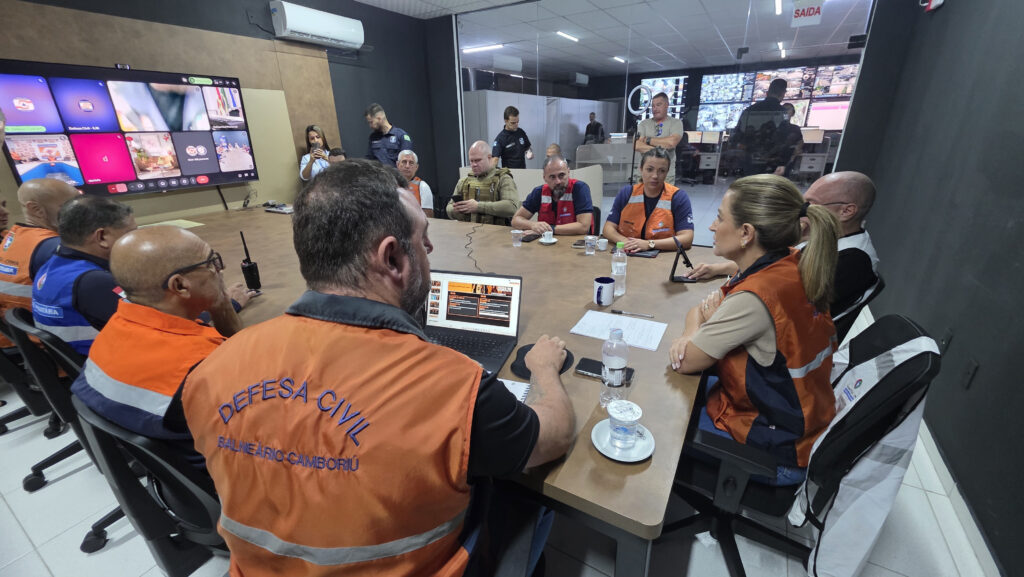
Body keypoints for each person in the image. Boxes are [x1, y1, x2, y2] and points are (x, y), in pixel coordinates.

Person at [181, 160, 575, 576]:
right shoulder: (455, 387)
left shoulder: (212, 369)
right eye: (423, 240)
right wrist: (544, 368)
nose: (430, 251)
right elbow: (555, 436)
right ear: (392, 258)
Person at [668, 174, 840, 485]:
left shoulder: (755, 296)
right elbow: (701, 308)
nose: (711, 226)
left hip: (775, 446)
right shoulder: (788, 262)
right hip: (801, 421)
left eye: (720, 218)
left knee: (663, 417)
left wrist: (691, 334)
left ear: (746, 233)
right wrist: (699, 325)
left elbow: (686, 362)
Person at [70, 226, 253, 467]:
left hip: (166, 462)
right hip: (224, 478)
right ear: (180, 286)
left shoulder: (116, 327)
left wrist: (220, 304)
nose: (220, 270)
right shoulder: (205, 365)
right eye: (211, 263)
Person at [686, 171, 879, 322]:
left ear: (846, 211)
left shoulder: (853, 262)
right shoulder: (826, 237)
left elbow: (780, 312)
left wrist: (716, 320)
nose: (802, 210)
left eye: (811, 204)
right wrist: (718, 268)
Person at [0, 179, 80, 347]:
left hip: (30, 343)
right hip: (60, 349)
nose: (81, 211)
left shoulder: (12, 237)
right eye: (70, 205)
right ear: (36, 209)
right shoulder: (56, 249)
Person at [604, 147, 694, 253]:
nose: (655, 176)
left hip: (662, 256)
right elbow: (608, 229)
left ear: (667, 172)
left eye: (662, 171)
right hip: (627, 253)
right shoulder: (627, 193)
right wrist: (627, 242)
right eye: (649, 169)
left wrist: (650, 244)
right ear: (641, 169)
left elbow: (687, 238)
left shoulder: (678, 197)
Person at [511, 154, 593, 236]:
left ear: (568, 172)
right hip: (545, 243)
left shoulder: (579, 189)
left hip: (573, 243)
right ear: (544, 178)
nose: (558, 181)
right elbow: (515, 220)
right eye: (552, 177)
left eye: (561, 175)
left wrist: (549, 229)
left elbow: (583, 227)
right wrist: (533, 225)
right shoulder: (539, 192)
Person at [447, 140, 519, 225]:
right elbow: (449, 208)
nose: (474, 164)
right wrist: (458, 209)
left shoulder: (503, 179)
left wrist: (478, 207)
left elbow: (511, 207)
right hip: (468, 233)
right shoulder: (464, 181)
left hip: (496, 234)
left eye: (477, 160)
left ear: (489, 157)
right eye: (471, 161)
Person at [732, 78, 788, 176]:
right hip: (771, 160)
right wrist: (782, 162)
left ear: (767, 92)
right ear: (783, 93)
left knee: (750, 186)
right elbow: (783, 138)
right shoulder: (782, 112)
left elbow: (738, 134)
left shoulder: (749, 110)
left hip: (749, 159)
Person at [633, 92, 684, 184]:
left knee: (664, 199)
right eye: (653, 106)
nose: (655, 108)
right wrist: (661, 151)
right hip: (644, 175)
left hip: (666, 175)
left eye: (658, 105)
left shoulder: (676, 123)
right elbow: (637, 145)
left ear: (667, 105)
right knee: (640, 198)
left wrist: (647, 140)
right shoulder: (643, 124)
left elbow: (671, 143)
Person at [396, 150, 434, 217]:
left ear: (416, 167)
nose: (407, 166)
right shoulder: (389, 185)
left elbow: (428, 217)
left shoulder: (423, 186)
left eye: (411, 163)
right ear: (398, 164)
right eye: (404, 162)